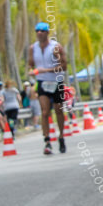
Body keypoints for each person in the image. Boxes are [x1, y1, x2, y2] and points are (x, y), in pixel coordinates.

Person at [27, 22, 68, 154]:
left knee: (58, 110)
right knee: (45, 112)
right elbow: (30, 64)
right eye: (37, 31)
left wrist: (47, 70)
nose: (39, 33)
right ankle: (47, 141)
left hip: (56, 81)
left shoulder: (55, 47)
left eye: (42, 31)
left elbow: (64, 66)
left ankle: (61, 137)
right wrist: (31, 71)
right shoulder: (33, 48)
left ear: (47, 33)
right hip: (42, 82)